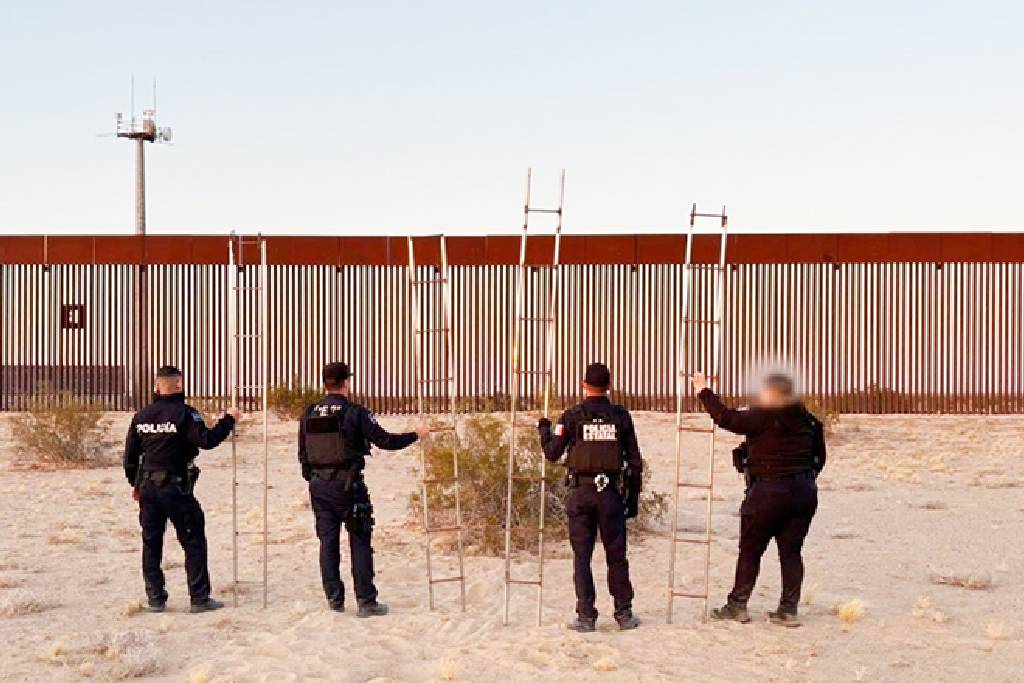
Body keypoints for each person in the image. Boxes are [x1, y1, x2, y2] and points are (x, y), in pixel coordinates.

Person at [691, 370, 826, 627]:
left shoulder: (765, 415)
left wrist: (703, 391)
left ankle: (737, 605)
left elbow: (725, 418)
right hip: (803, 493)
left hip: (768, 492)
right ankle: (788, 610)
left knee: (751, 549)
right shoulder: (809, 422)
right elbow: (819, 460)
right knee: (791, 552)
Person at [298, 362, 430, 616]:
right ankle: (366, 601)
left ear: (325, 383)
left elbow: (303, 454)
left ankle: (335, 599)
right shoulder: (354, 412)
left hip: (319, 487)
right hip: (349, 486)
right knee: (359, 540)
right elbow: (386, 441)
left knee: (328, 543)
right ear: (346, 382)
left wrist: (315, 479)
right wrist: (416, 434)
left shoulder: (309, 413)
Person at [123, 365, 240, 613]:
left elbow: (130, 457)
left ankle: (156, 598)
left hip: (148, 488)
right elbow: (206, 440)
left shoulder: (141, 416)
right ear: (179, 385)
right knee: (193, 540)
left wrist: (135, 484)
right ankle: (199, 598)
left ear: (156, 387)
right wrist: (228, 420)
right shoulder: (185, 414)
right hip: (175, 488)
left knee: (151, 544)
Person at [538, 362, 643, 632]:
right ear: (609, 386)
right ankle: (623, 613)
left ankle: (586, 616)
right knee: (616, 556)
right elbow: (634, 462)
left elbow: (552, 453)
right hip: (610, 494)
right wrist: (632, 500)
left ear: (584, 385)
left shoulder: (572, 417)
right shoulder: (620, 417)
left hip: (582, 493)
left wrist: (544, 430)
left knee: (582, 557)